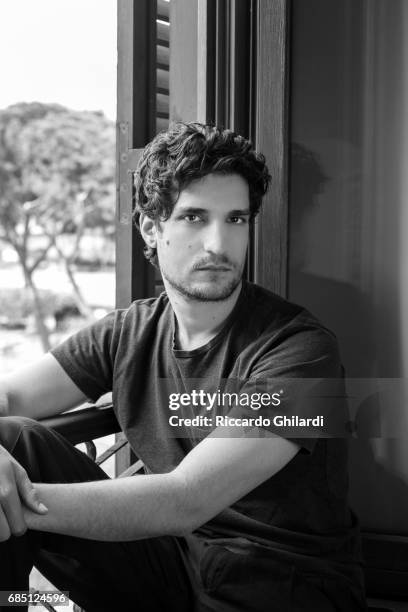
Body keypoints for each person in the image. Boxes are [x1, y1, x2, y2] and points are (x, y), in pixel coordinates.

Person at [0, 123, 367, 611]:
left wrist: (12, 502)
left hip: (277, 585)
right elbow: (12, 396)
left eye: (236, 220)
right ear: (152, 228)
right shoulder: (129, 331)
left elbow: (185, 499)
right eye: (195, 217)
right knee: (16, 440)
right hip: (172, 568)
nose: (219, 243)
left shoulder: (305, 350)